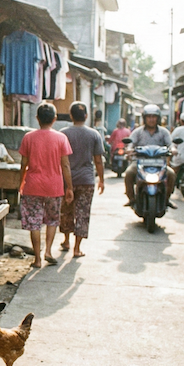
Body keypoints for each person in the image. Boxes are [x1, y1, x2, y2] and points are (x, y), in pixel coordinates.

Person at [19, 103, 74, 268]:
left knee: (33, 222)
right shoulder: (61, 138)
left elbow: (23, 163)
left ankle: (36, 259)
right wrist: (69, 187)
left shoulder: (28, 137)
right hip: (54, 186)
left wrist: (20, 182)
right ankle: (48, 251)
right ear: (54, 119)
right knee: (52, 220)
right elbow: (65, 165)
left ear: (37, 119)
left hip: (32, 185)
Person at [59, 102, 105, 258]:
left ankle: (66, 241)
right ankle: (77, 248)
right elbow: (98, 160)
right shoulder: (94, 135)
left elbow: (59, 159)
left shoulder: (63, 133)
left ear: (71, 116)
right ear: (86, 116)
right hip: (86, 180)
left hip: (66, 181)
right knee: (82, 213)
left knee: (66, 211)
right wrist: (102, 180)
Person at [123, 104, 177, 209]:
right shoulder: (138, 132)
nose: (151, 119)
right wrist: (129, 149)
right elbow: (131, 143)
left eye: (154, 117)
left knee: (172, 174)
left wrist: (173, 149)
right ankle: (131, 199)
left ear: (158, 118)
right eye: (149, 117)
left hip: (159, 163)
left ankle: (166, 199)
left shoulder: (164, 132)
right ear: (144, 118)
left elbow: (170, 144)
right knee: (129, 173)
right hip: (140, 162)